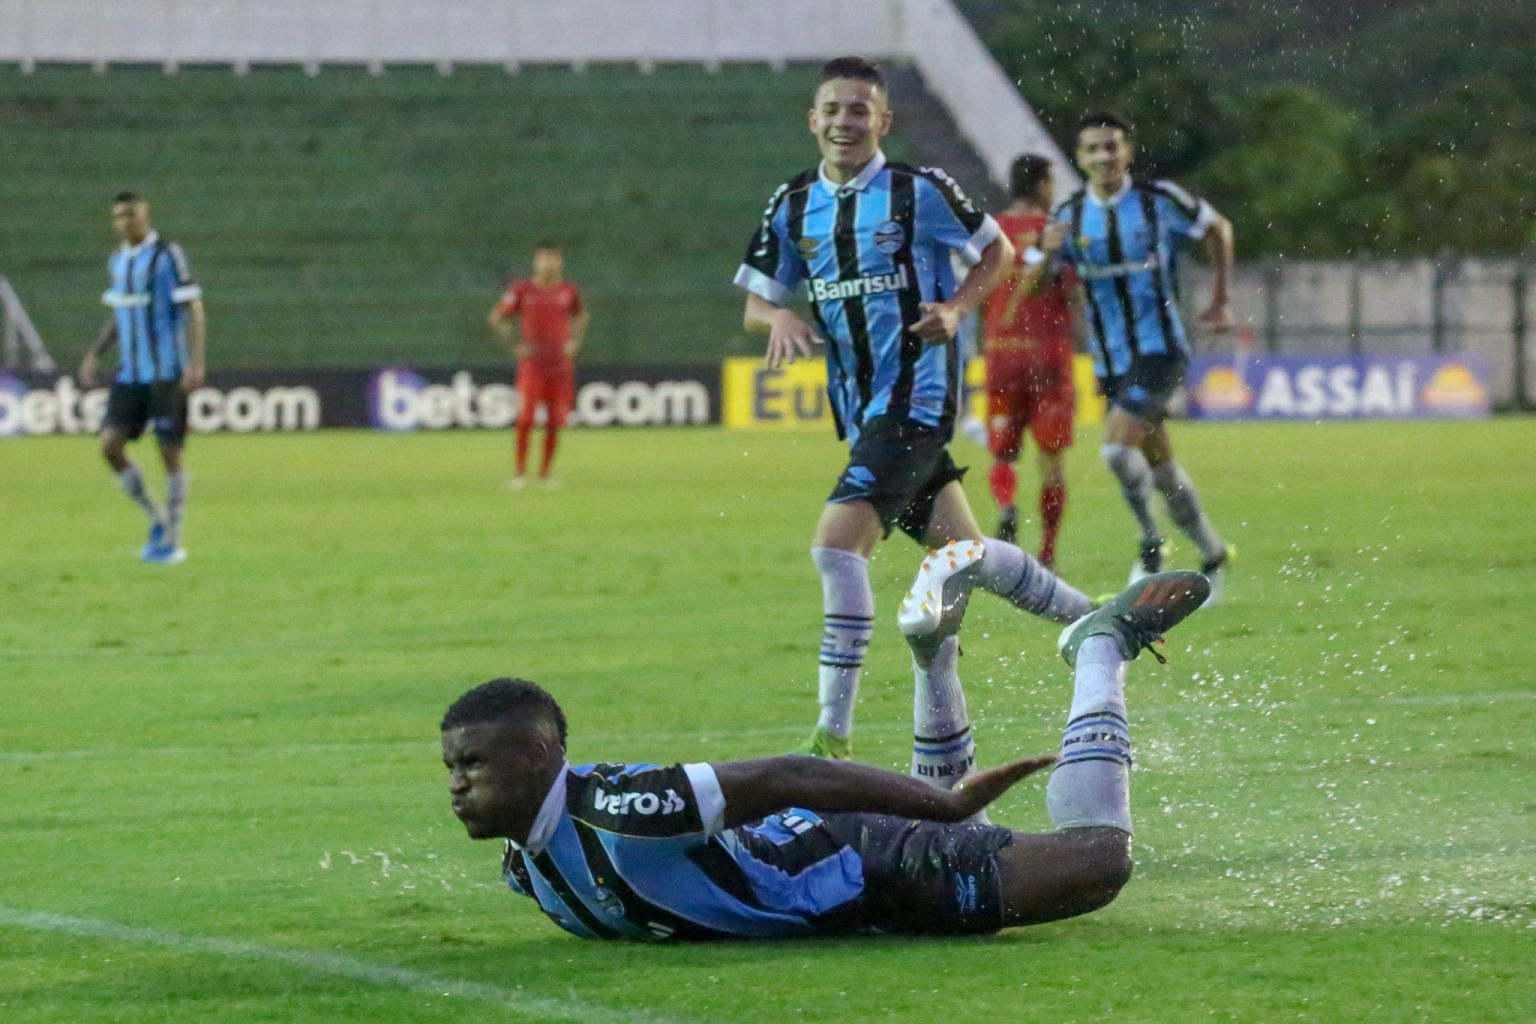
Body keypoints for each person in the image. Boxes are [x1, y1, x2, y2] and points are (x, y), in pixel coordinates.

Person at [440, 544, 1212, 940]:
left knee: (1096, 863)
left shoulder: (622, 809)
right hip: (849, 889)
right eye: (453, 767)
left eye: (472, 765)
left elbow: (789, 773)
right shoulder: (528, 865)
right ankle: (933, 655)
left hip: (860, 865)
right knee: (964, 834)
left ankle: (1099, 645)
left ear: (535, 758)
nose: (457, 784)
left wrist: (937, 801)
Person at [732, 56, 1096, 760]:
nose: (845, 121)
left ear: (883, 121)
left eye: (859, 109)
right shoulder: (793, 202)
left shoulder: (916, 190)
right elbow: (756, 299)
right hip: (865, 410)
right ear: (813, 120)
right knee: (963, 558)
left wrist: (959, 309)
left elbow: (995, 251)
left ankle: (830, 735)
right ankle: (1093, 619)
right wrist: (774, 319)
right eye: (833, 109)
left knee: (836, 550)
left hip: (918, 399)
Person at [1029, 110, 1233, 600]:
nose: (1104, 156)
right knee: (1158, 463)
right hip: (1110, 360)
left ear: (1128, 151)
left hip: (1160, 349)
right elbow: (1035, 287)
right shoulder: (1067, 216)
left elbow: (1218, 228)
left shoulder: (1157, 201)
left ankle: (1150, 544)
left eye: (1112, 146)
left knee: (1117, 449)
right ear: (1078, 159)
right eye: (1093, 149)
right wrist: (1046, 252)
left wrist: (1221, 297)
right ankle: (1212, 553)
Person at [79, 191, 206, 565]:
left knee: (168, 450)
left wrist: (195, 363)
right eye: (119, 216)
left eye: (131, 215)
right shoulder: (118, 260)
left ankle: (174, 538)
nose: (125, 222)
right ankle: (157, 517)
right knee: (109, 447)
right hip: (130, 374)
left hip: (167, 371)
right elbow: (120, 315)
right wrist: (94, 353)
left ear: (145, 215)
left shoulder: (168, 255)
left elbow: (194, 308)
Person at [981, 154, 1081, 567]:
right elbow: (1072, 293)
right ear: (1042, 184)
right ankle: (1047, 551)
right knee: (1050, 458)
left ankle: (1006, 506)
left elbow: (976, 289)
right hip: (1048, 356)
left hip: (1002, 352)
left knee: (1003, 452)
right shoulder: (1055, 231)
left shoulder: (989, 231)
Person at [488, 246, 588, 490]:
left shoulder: (568, 291)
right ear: (536, 262)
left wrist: (574, 342)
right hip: (533, 365)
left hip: (560, 366)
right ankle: (520, 473)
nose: (549, 263)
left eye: (553, 258)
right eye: (544, 258)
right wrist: (515, 345)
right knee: (525, 419)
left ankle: (545, 475)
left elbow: (581, 315)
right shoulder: (522, 290)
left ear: (560, 262)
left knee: (554, 421)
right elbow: (497, 317)